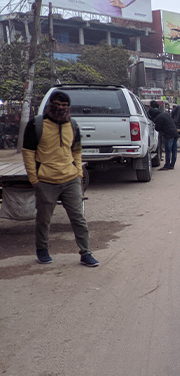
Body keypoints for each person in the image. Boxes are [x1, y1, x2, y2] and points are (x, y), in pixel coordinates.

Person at [21, 91, 99, 267]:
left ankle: (85, 252)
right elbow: (28, 153)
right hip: (46, 181)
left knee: (78, 218)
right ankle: (42, 249)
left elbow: (77, 151)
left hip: (70, 179)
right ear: (50, 105)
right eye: (56, 105)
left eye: (64, 106)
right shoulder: (36, 125)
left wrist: (78, 172)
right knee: (43, 219)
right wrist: (35, 180)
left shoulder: (73, 125)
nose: (60, 109)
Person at [148, 101, 179, 171]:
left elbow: (157, 128)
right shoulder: (165, 114)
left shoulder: (158, 118)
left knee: (168, 150)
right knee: (174, 150)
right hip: (175, 133)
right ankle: (172, 165)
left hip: (169, 135)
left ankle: (166, 166)